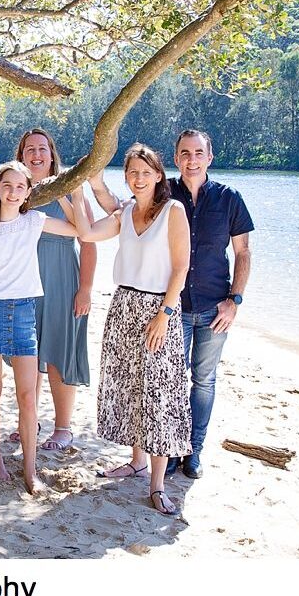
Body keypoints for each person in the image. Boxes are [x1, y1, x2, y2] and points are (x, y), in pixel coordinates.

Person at [89, 130, 253, 479]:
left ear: (209, 157)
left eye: (198, 153)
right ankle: (166, 453)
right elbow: (123, 210)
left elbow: (242, 252)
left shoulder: (229, 198)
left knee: (203, 381)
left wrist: (234, 301)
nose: (191, 159)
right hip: (170, 305)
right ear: (175, 160)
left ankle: (192, 451)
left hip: (212, 304)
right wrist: (93, 182)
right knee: (166, 384)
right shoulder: (164, 193)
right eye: (184, 153)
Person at [72, 144, 191, 516]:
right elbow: (88, 234)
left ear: (159, 175)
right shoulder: (125, 213)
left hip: (159, 309)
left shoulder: (173, 211)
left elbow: (181, 268)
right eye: (132, 172)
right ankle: (136, 463)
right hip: (124, 306)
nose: (138, 178)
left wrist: (165, 314)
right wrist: (78, 190)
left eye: (145, 172)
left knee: (158, 395)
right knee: (129, 387)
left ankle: (157, 485)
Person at [0, 161, 80, 494]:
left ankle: (31, 470)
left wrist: (68, 193)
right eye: (7, 185)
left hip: (25, 311)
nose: (13, 192)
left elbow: (78, 230)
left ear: (29, 192)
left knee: (28, 396)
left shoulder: (34, 221)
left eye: (20, 187)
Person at [14, 129, 95, 451]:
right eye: (30, 149)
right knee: (27, 353)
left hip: (63, 276)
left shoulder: (71, 187)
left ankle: (62, 427)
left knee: (61, 351)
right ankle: (29, 422)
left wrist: (86, 288)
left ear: (52, 153)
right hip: (22, 279)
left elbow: (88, 241)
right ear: (21, 155)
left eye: (42, 149)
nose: (36, 155)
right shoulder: (17, 189)